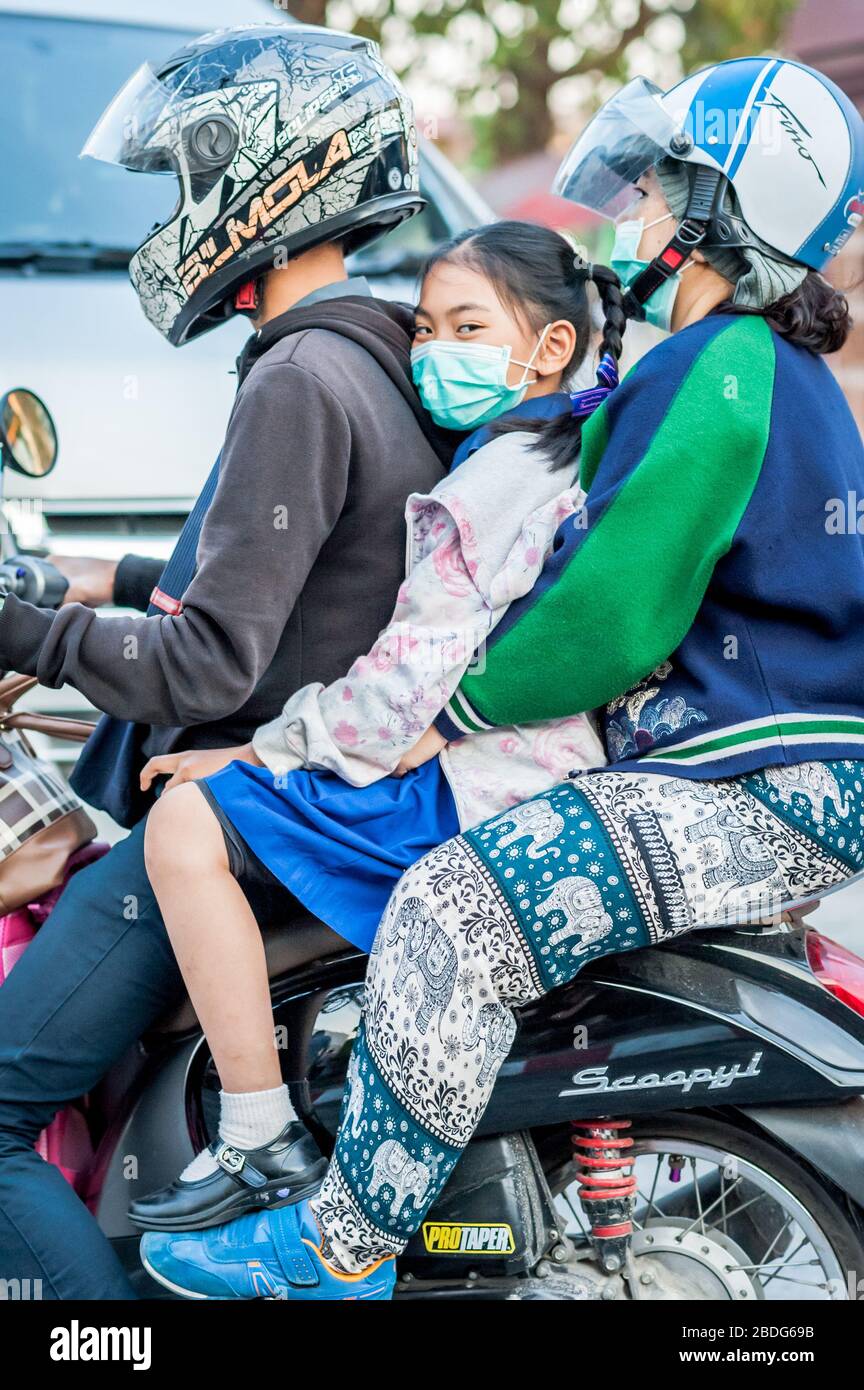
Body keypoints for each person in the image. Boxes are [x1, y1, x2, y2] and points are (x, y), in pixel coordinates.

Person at [140, 55, 864, 1301]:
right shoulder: (762, 374)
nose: (634, 214)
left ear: (717, 212)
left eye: (659, 189)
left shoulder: (721, 367)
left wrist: (457, 714)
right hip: (767, 772)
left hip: (752, 778)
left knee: (454, 914)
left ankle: (336, 1246)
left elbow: (614, 610)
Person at [0, 24, 453, 1301]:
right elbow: (288, 576)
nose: (178, 211)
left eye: (186, 179)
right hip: (316, 782)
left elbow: (208, 660)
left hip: (236, 816)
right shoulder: (373, 354)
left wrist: (29, 636)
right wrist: (82, 584)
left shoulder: (300, 377)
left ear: (264, 178)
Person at [121, 221, 623, 1234]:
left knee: (185, 825)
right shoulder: (574, 452)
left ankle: (257, 1135)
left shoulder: (481, 488)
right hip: (543, 769)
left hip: (477, 785)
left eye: (468, 325)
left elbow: (399, 687)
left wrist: (255, 750)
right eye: (427, 328)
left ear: (552, 346)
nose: (436, 351)